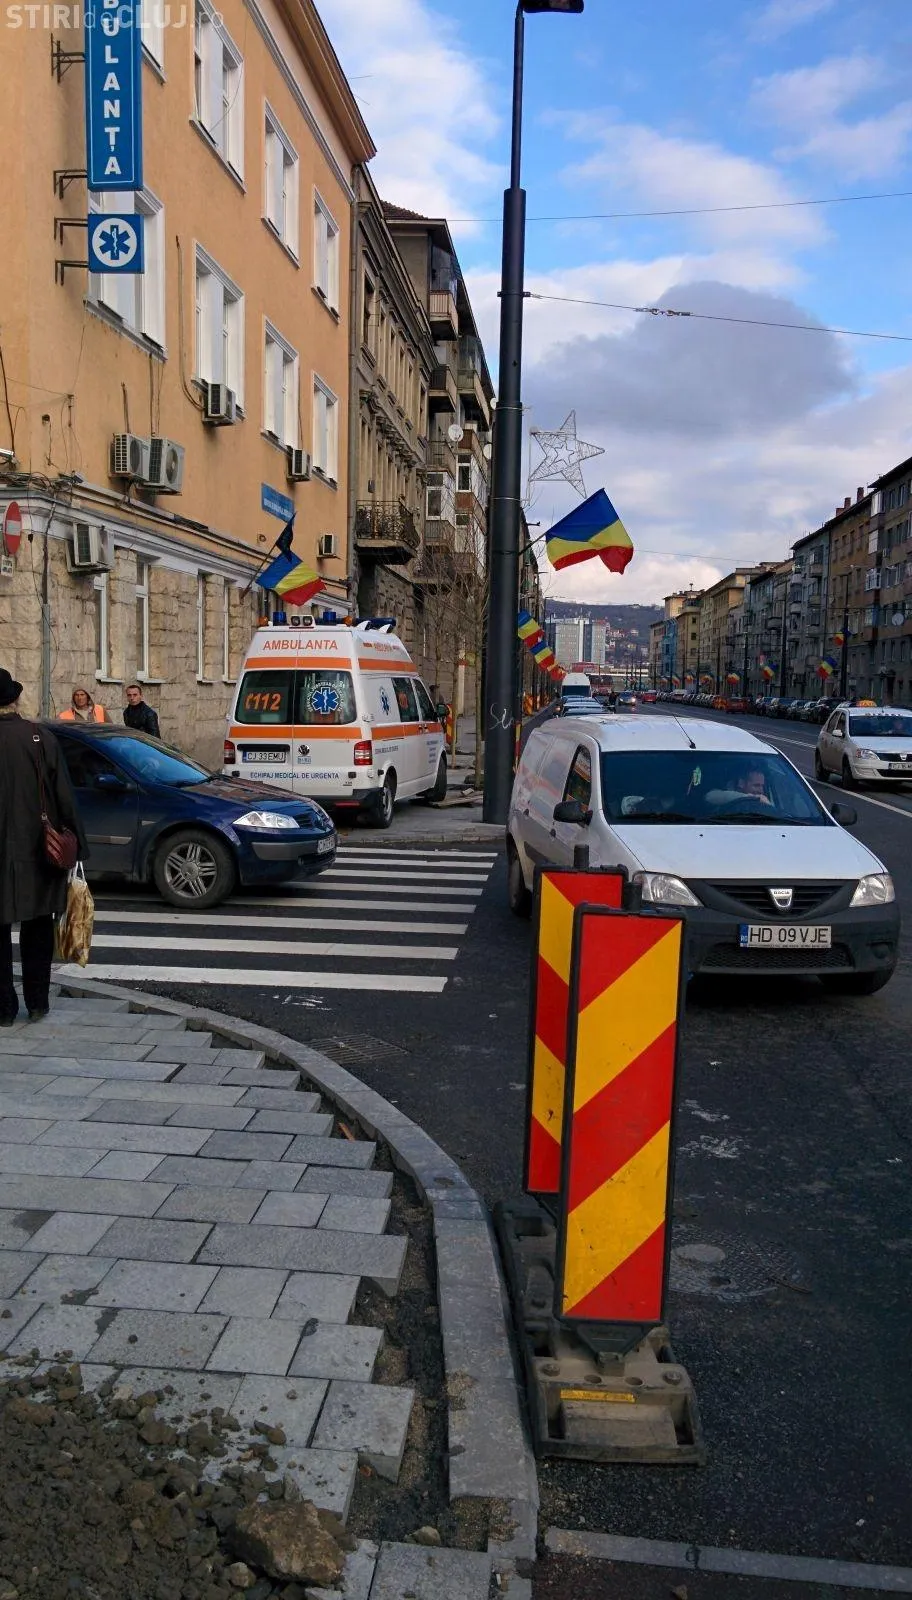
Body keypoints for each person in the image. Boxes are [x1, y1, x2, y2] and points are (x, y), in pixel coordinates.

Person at [0, 667, 87, 1024]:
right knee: (38, 928)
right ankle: (37, 1003)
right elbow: (63, 794)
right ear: (15, 700)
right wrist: (76, 843)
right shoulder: (39, 737)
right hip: (39, 849)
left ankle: (3, 1010)